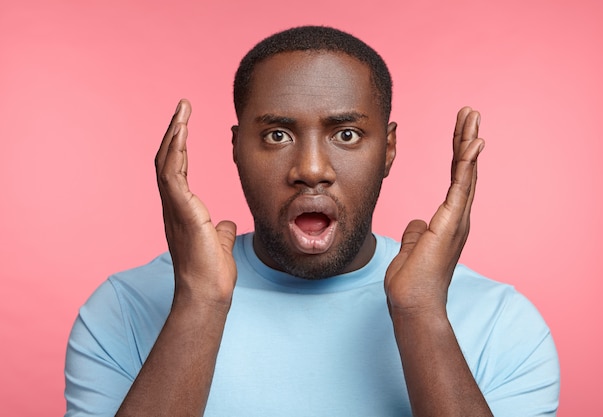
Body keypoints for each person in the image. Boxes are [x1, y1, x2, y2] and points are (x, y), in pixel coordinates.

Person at [64, 26, 560, 417]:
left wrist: (422, 315)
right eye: (277, 135)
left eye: (346, 134)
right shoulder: (123, 312)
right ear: (236, 148)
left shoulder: (500, 323)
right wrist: (199, 304)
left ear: (388, 149)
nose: (312, 169)